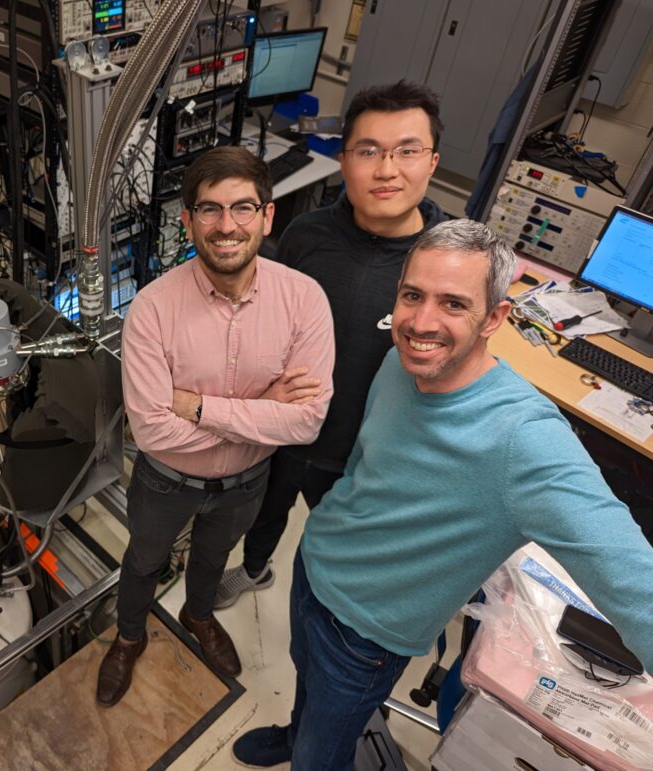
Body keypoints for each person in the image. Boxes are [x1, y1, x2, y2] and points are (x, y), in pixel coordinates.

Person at [231, 219, 653, 769]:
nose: (421, 322)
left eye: (453, 304)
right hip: (316, 567)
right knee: (304, 682)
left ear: (494, 319)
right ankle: (294, 731)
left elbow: (630, 574)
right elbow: (365, 468)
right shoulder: (398, 364)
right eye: (412, 295)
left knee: (322, 755)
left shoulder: (525, 439)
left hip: (367, 634)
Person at [96, 147, 335, 707]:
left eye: (243, 208)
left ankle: (198, 615)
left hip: (247, 484)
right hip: (163, 481)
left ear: (268, 215)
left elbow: (307, 421)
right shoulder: (153, 309)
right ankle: (129, 635)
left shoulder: (303, 301)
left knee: (212, 559)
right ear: (188, 220)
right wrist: (263, 409)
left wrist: (198, 407)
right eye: (209, 210)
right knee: (144, 560)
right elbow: (152, 432)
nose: (227, 226)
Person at [216, 80, 448, 608]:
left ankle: (327, 597)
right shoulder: (306, 235)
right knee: (266, 511)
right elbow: (268, 319)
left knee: (341, 545)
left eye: (407, 151)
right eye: (369, 151)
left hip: (368, 451)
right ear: (344, 160)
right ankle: (255, 569)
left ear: (432, 161)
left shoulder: (448, 260)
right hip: (287, 428)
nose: (387, 170)